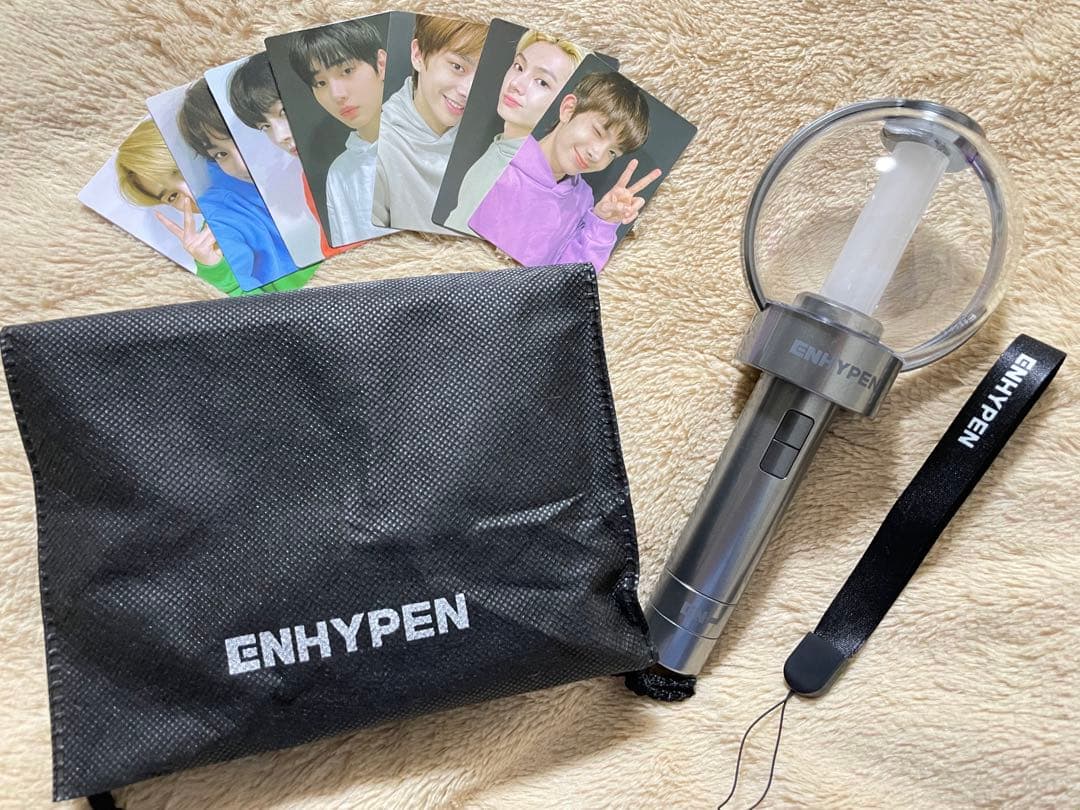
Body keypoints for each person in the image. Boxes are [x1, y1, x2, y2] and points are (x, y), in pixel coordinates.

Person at [467, 71, 661, 272]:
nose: (597, 154)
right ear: (569, 109)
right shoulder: (505, 162)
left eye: (612, 152)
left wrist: (603, 223)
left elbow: (572, 277)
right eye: (597, 132)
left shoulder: (582, 198)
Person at [115, 119, 314, 296]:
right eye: (172, 196)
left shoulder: (280, 163)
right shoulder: (214, 241)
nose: (189, 193)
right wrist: (218, 272)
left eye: (181, 171)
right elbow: (258, 314)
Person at [443, 31, 583, 236]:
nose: (516, 84)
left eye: (542, 82)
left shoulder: (519, 179)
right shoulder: (505, 149)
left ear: (566, 107)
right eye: (519, 66)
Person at [177, 79, 311, 290]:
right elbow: (238, 303)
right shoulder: (223, 215)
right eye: (221, 154)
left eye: (242, 141)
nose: (241, 164)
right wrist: (218, 272)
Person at [229, 51, 354, 257]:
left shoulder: (371, 149)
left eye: (284, 112)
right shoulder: (312, 174)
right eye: (265, 126)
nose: (280, 137)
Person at [372, 15, 487, 233]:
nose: (468, 91)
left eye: (481, 75)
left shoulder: (488, 143)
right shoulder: (380, 149)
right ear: (418, 55)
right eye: (457, 66)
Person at [288, 18, 392, 247]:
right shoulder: (340, 172)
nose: (337, 94)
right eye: (320, 83)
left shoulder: (430, 141)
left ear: (381, 64)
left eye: (346, 70)